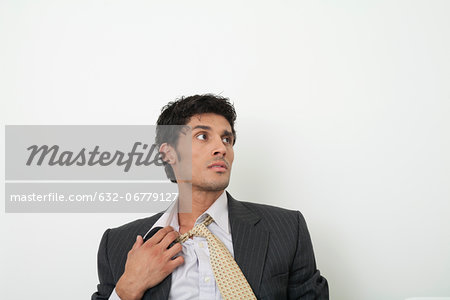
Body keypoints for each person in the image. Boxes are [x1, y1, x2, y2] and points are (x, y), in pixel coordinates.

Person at [92, 94, 329, 300]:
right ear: (169, 154)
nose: (222, 148)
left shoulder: (287, 230)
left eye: (227, 139)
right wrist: (127, 289)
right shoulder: (118, 245)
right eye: (203, 136)